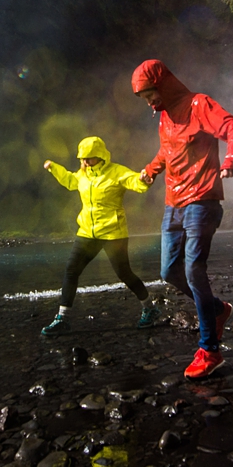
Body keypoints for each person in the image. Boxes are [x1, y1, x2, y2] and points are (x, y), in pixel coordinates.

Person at [132, 60, 233, 379]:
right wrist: (151, 170)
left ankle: (210, 350)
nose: (149, 102)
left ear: (163, 84)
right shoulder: (165, 117)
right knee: (169, 270)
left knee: (193, 268)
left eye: (149, 94)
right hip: (174, 203)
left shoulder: (199, 104)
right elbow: (167, 151)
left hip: (202, 200)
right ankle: (217, 309)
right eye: (143, 98)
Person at [40, 136, 160, 337]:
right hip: (87, 232)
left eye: (90, 158)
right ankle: (62, 318)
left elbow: (133, 181)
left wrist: (143, 179)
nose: (86, 162)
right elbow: (70, 181)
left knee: (124, 274)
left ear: (102, 156)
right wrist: (53, 167)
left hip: (113, 233)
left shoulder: (116, 172)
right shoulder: (83, 175)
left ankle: (149, 308)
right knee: (71, 271)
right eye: (83, 159)